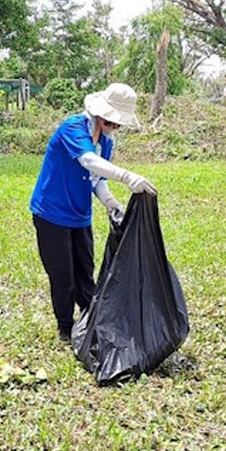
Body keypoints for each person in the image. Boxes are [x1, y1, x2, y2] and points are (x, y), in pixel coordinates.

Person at [29, 82, 157, 343]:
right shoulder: (73, 128)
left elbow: (97, 178)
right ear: (101, 113)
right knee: (63, 275)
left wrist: (111, 203)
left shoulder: (106, 142)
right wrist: (126, 175)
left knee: (85, 271)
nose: (115, 127)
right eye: (112, 120)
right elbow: (87, 160)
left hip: (80, 214)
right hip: (51, 214)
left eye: (119, 123)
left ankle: (91, 320)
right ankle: (65, 328)